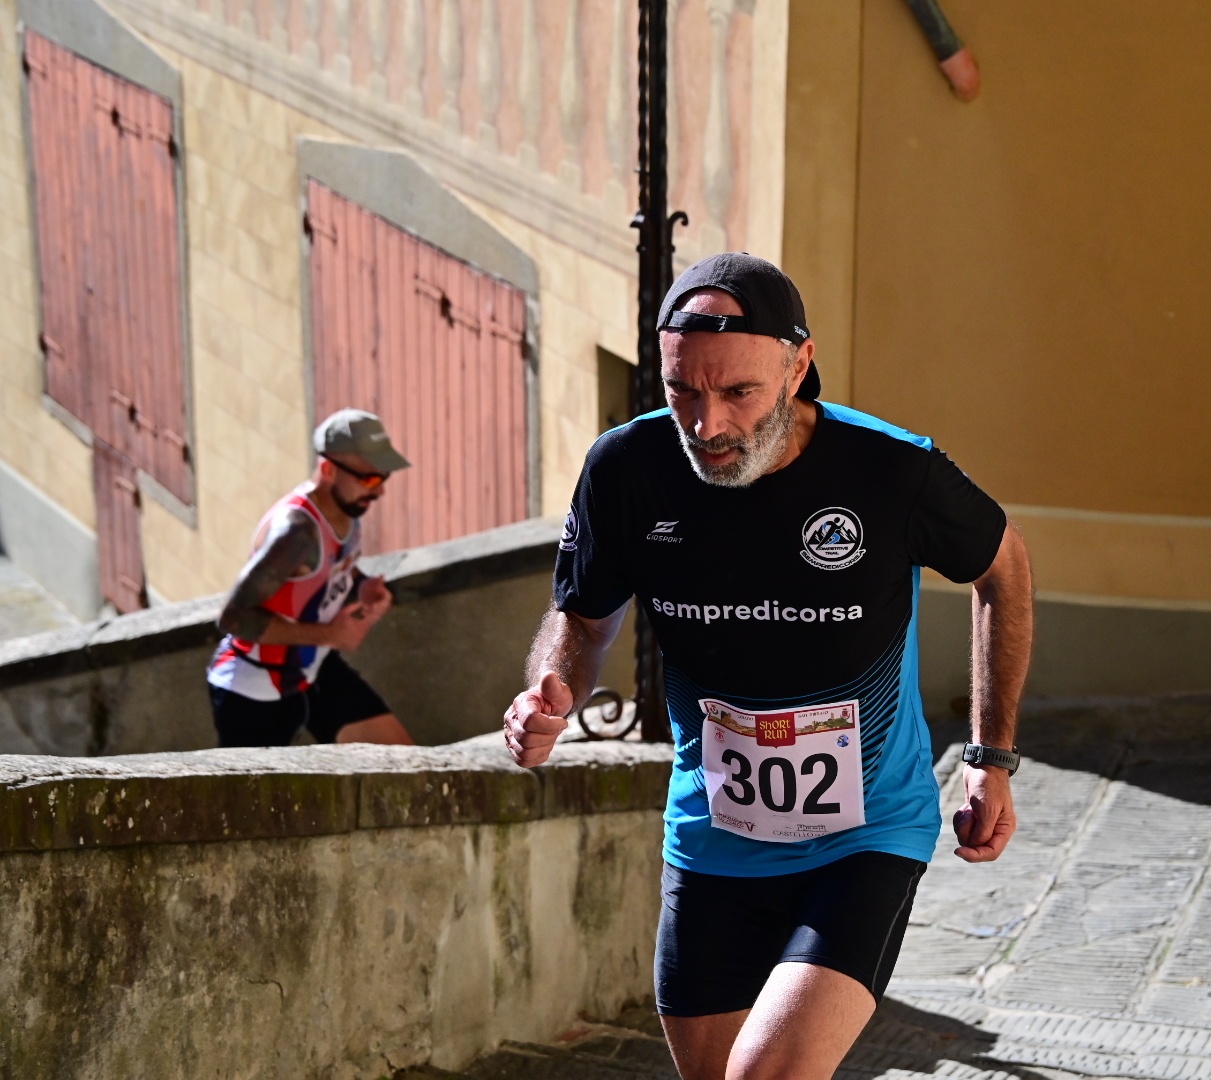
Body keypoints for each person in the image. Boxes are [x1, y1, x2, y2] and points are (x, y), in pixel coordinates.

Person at [504, 253, 1034, 1080]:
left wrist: (989, 756)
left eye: (738, 393)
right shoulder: (626, 468)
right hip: (713, 837)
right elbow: (582, 615)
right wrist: (552, 689)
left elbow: (1004, 569)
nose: (706, 424)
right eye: (682, 391)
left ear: (798, 364)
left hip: (866, 835)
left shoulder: (890, 469)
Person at [207, 409, 415, 748]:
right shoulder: (295, 533)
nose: (379, 493)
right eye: (369, 480)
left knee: (405, 761)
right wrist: (332, 635)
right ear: (329, 470)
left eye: (384, 477)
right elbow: (234, 617)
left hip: (314, 668)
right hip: (255, 690)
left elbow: (333, 570)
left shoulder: (347, 510)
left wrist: (363, 587)